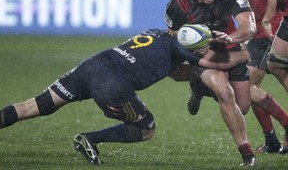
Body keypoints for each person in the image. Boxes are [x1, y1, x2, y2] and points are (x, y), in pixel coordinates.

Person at [0, 28, 249, 165]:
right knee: (146, 128)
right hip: (112, 84)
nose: (207, 47)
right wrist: (246, 54)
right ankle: (89, 139)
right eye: (204, 44)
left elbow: (178, 72)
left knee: (37, 105)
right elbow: (219, 64)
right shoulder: (186, 49)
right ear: (194, 47)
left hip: (92, 65)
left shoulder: (161, 34)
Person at [166, 0, 257, 166]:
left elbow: (249, 26)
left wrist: (231, 38)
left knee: (242, 107)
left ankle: (199, 89)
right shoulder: (177, 3)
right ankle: (247, 153)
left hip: (228, 46)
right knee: (225, 92)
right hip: (202, 53)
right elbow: (171, 35)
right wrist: (188, 44)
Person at [234, 0, 288, 154]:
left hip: (268, 29)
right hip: (254, 30)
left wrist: (268, 17)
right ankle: (271, 140)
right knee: (250, 86)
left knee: (247, 86)